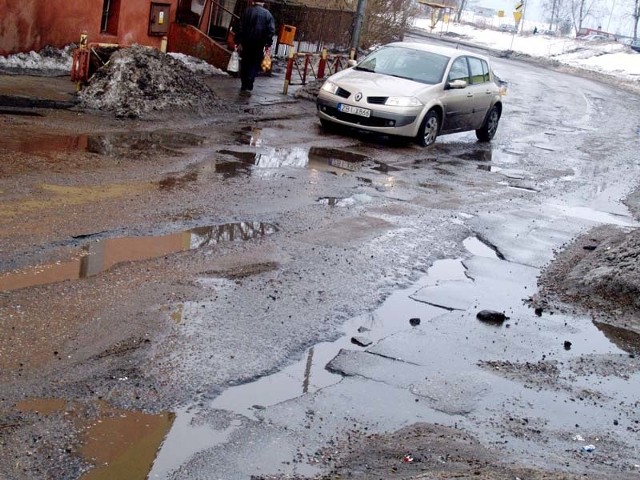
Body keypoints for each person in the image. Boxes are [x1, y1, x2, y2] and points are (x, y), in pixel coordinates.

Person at [234, 1, 275, 94]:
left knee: (245, 62)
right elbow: (271, 30)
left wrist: (239, 40)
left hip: (246, 42)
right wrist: (268, 43)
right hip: (259, 43)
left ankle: (244, 83)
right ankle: (251, 79)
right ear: (263, 3)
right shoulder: (267, 14)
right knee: (255, 62)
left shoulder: (247, 11)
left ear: (254, 2)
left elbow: (240, 26)